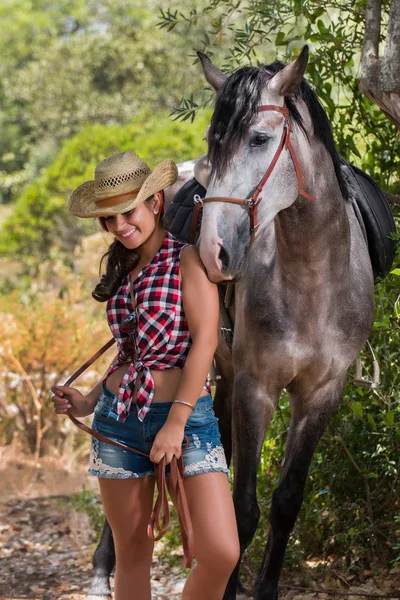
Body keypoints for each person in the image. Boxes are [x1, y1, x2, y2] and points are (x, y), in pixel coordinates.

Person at [50, 150, 239, 600]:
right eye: (108, 219)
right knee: (132, 554)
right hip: (119, 419)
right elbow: (130, 353)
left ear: (155, 202)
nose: (118, 226)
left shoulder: (188, 261)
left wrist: (175, 423)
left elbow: (205, 344)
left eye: (126, 212)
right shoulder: (122, 268)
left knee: (221, 551)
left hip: (187, 421)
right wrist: (90, 400)